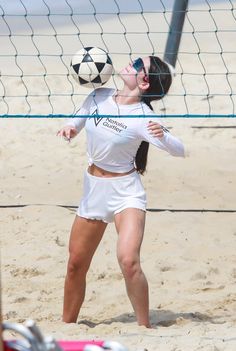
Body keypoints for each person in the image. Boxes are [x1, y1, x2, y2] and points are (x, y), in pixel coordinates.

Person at [57, 56, 185, 328]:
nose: (131, 62)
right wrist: (70, 128)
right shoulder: (98, 96)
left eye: (138, 64)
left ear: (145, 81)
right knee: (75, 265)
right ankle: (66, 326)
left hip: (126, 193)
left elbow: (180, 150)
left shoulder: (144, 116)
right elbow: (76, 121)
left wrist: (163, 137)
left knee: (128, 261)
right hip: (94, 191)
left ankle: (144, 328)